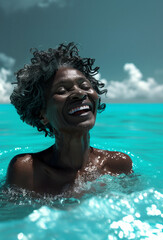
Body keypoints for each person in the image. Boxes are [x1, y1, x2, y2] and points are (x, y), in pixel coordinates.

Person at [6, 43, 133, 195]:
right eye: (62, 90)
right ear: (42, 114)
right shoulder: (28, 170)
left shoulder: (119, 164)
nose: (80, 93)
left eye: (85, 86)